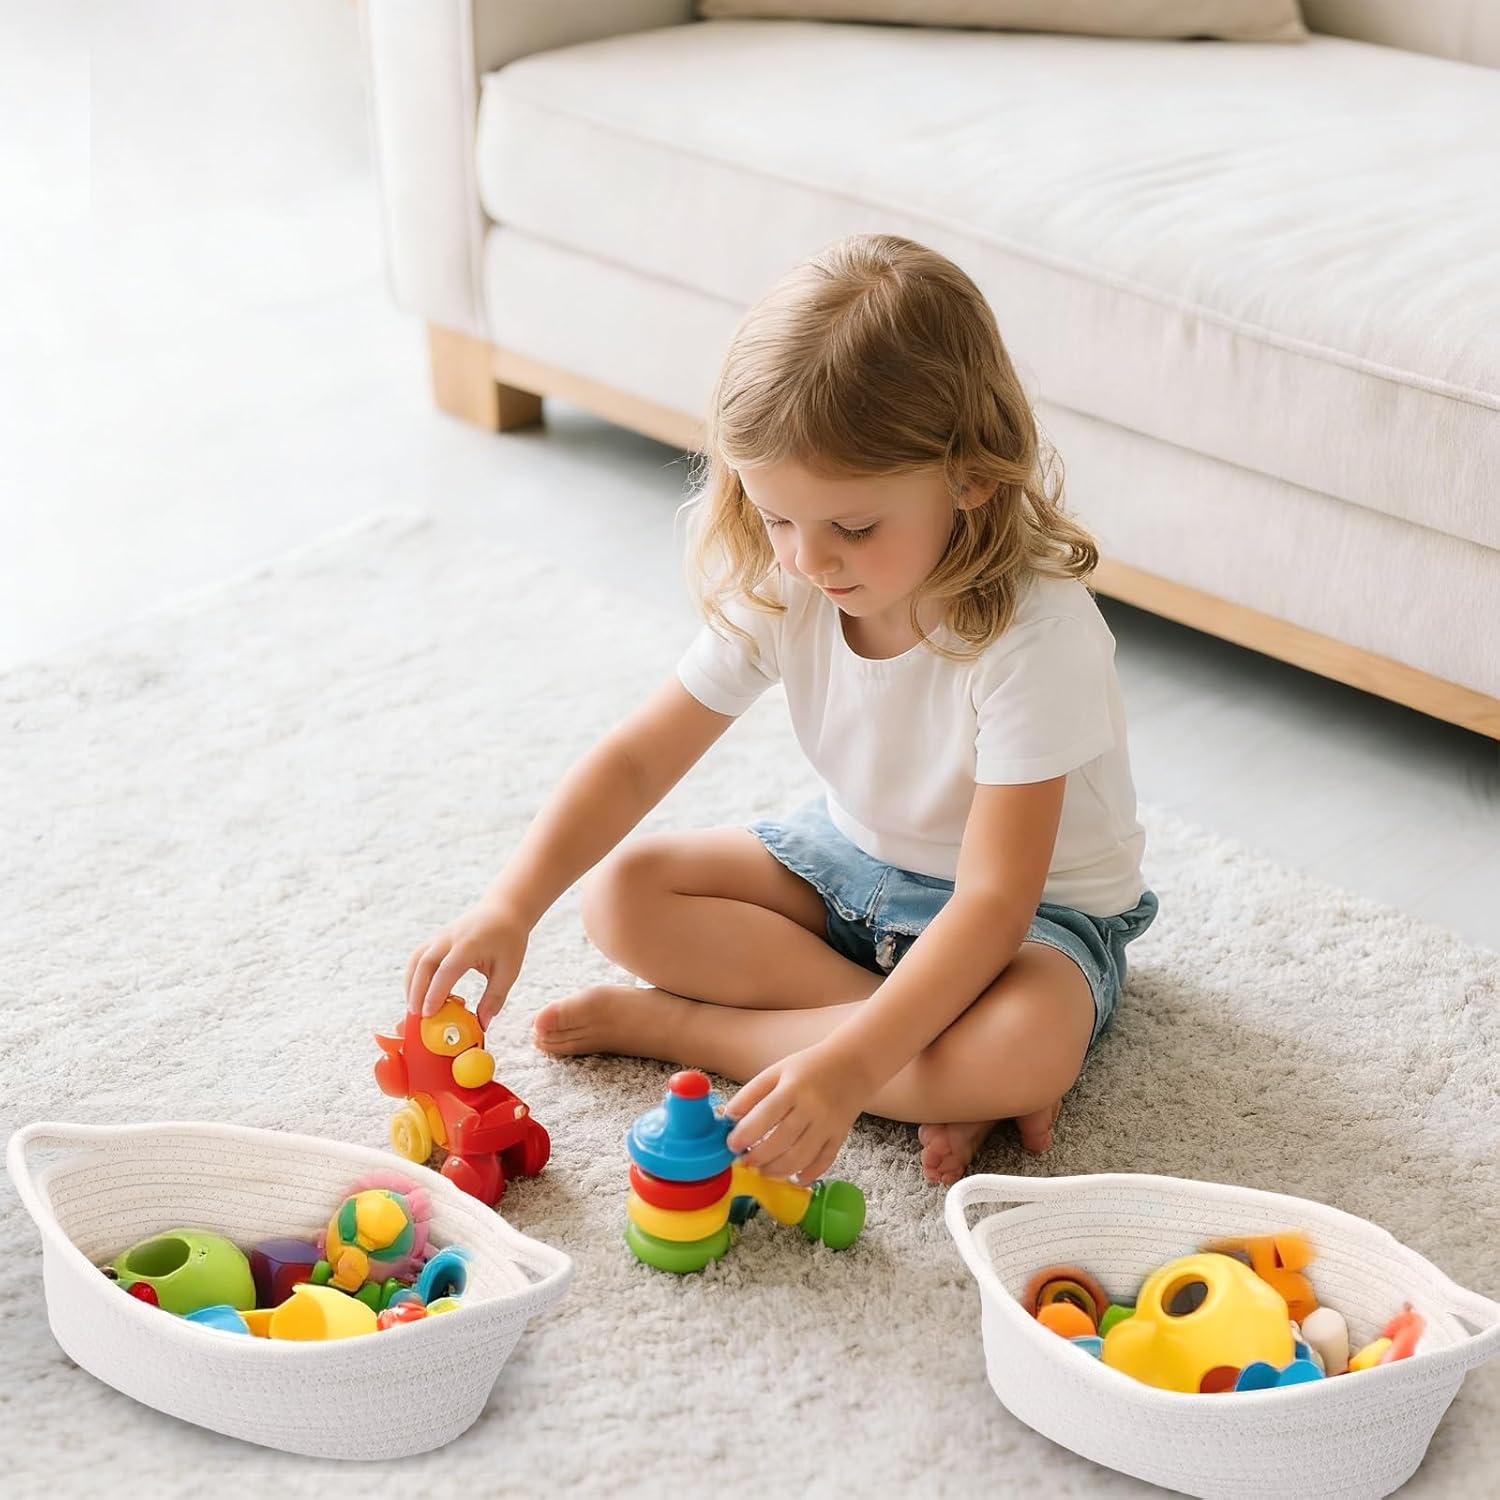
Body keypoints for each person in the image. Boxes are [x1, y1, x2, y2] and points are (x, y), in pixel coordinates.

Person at [405, 233, 1157, 1187]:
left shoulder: (1037, 635)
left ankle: (701, 1030)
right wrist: (509, 905)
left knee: (1025, 1045)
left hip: (1030, 920)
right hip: (850, 869)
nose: (809, 559)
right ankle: (937, 1065)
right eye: (775, 517)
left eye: (854, 526)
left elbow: (993, 903)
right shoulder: (794, 578)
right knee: (622, 894)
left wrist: (847, 1072)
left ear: (970, 474)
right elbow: (637, 761)